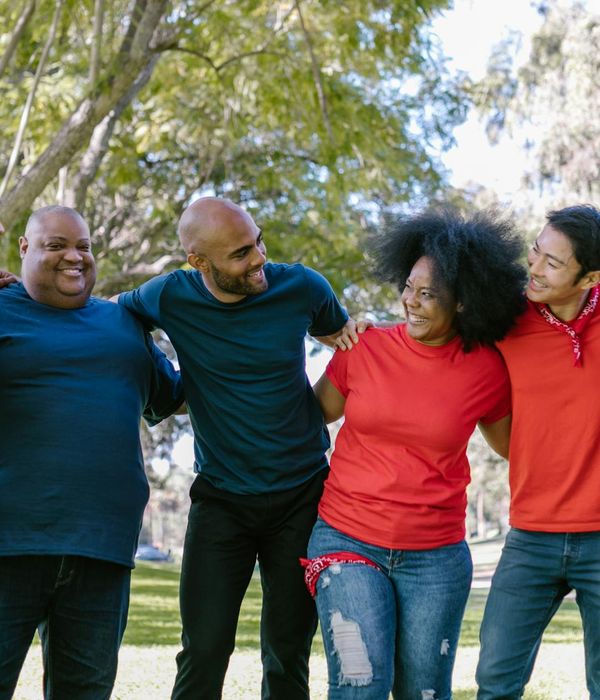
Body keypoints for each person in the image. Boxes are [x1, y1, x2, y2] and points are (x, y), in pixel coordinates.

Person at [115, 197, 355, 700]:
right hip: (221, 499)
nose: (259, 258)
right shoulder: (168, 296)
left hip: (303, 494)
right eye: (241, 253)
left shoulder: (303, 287)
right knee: (203, 650)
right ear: (199, 262)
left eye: (258, 240)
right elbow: (108, 318)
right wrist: (171, 388)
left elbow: (342, 335)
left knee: (287, 651)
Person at [302, 208, 527, 699]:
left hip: (436, 558)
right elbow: (308, 417)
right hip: (348, 539)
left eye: (429, 295)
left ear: (464, 303)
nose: (411, 302)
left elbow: (516, 448)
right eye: (408, 287)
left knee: (424, 692)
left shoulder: (486, 368)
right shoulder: (364, 347)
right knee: (360, 683)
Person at [0, 206, 183, 700]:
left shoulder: (124, 323)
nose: (73, 256)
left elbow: (179, 396)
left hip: (101, 550)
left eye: (82, 245)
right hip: (8, 544)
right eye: (56, 245)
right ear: (24, 249)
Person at [476, 204, 600, 700]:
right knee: (495, 680)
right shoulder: (506, 320)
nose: (534, 267)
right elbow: (485, 405)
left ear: (591, 276)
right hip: (530, 536)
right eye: (535, 251)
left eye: (553, 262)